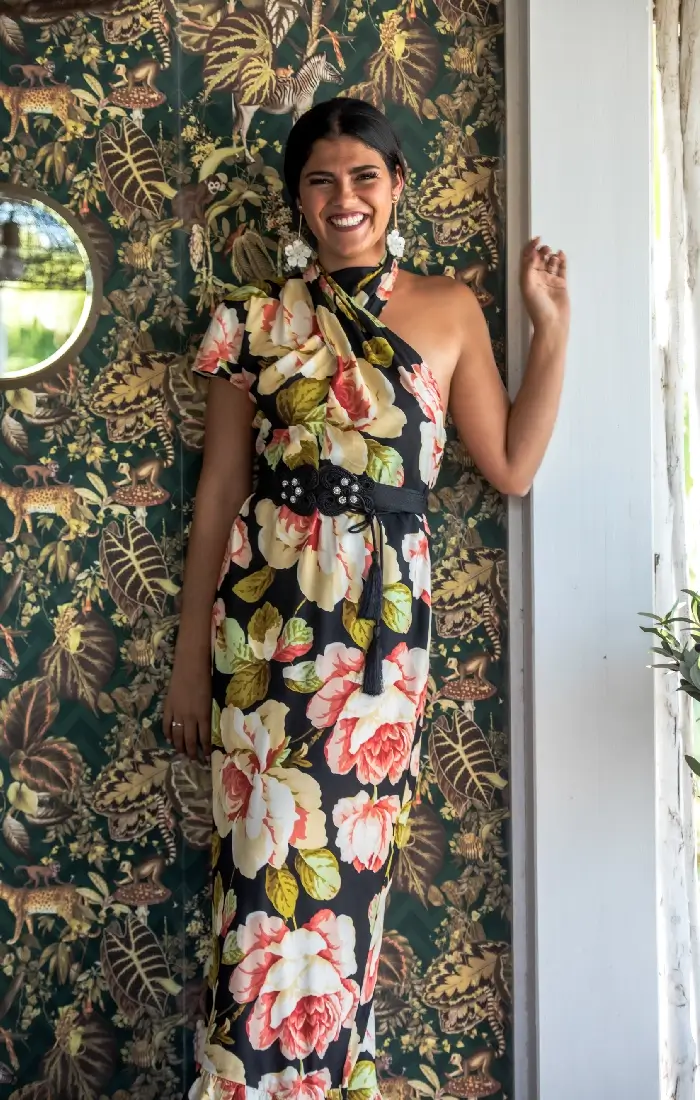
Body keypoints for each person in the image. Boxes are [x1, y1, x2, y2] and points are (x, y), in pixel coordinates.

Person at [165, 97, 569, 1100]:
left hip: (381, 640)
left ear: (395, 187)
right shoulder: (251, 320)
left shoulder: (450, 309)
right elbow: (218, 494)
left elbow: (512, 466)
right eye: (321, 180)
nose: (343, 198)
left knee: (346, 885)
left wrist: (550, 331)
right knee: (259, 879)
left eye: (363, 177)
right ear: (298, 200)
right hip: (264, 628)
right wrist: (187, 666)